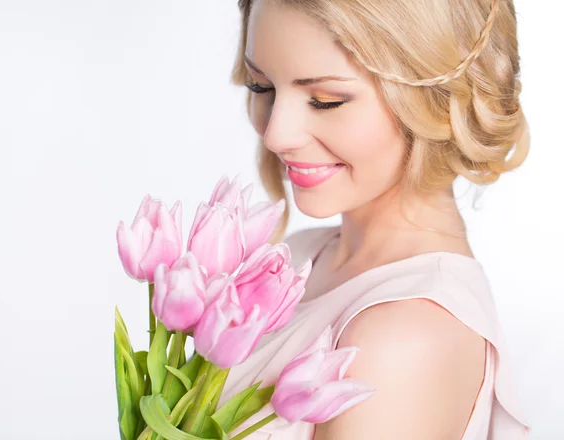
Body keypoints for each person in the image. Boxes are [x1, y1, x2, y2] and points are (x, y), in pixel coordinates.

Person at [218, 0, 531, 438]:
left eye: (326, 101)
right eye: (261, 87)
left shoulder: (401, 339)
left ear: (436, 100)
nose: (276, 134)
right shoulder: (298, 258)